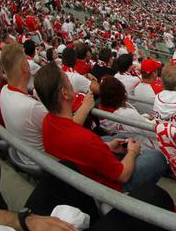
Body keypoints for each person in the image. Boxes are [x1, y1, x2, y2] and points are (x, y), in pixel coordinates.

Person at [35, 62, 167, 192]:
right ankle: (138, 195)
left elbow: (77, 142)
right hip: (108, 188)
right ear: (65, 94)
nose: (71, 84)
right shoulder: (85, 139)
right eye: (68, 81)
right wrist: (133, 152)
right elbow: (122, 175)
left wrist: (107, 147)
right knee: (156, 157)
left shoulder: (47, 121)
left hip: (78, 176)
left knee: (120, 137)